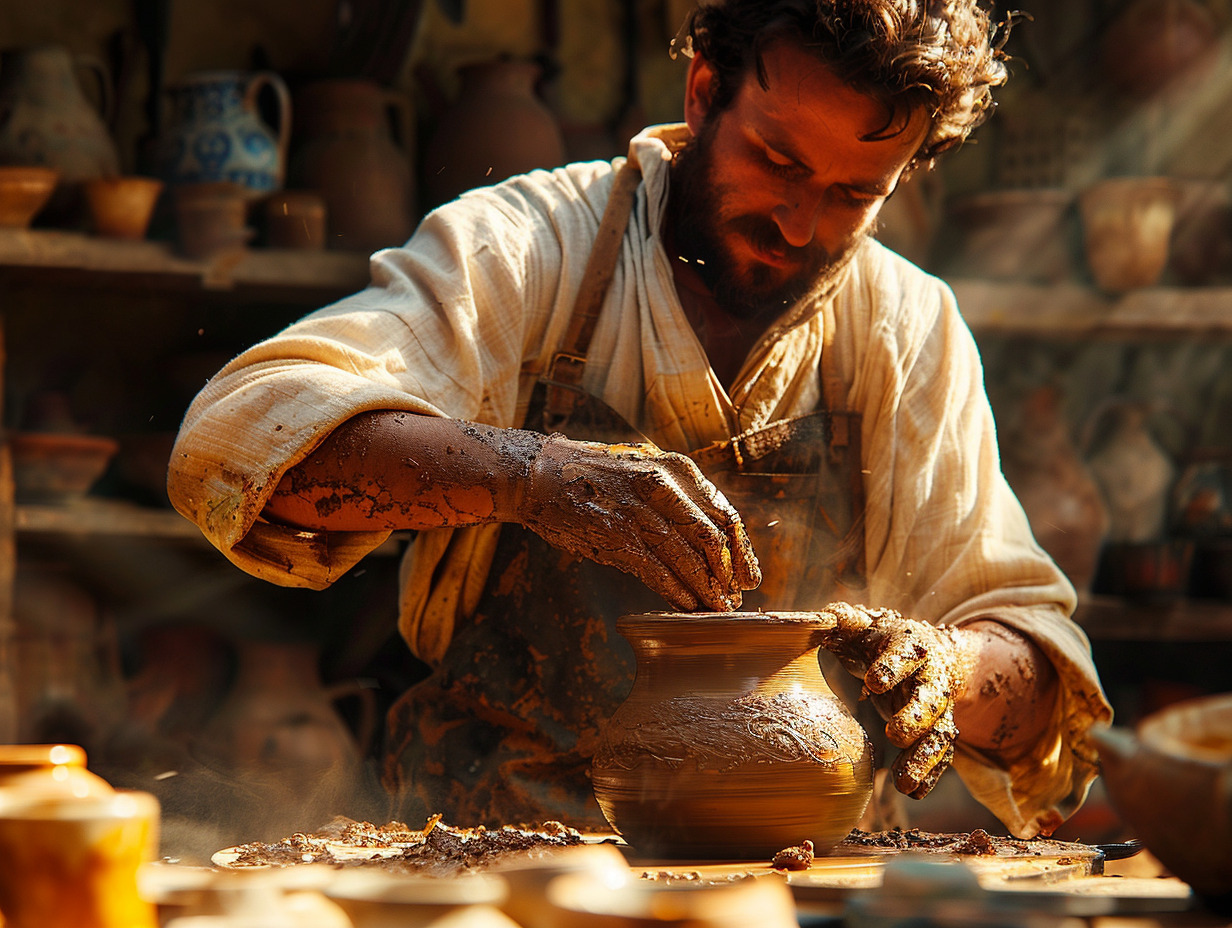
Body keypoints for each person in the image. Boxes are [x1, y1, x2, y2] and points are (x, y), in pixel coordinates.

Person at [168, 0, 1112, 841]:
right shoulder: (533, 245)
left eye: (852, 194)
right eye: (776, 160)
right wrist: (532, 478)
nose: (797, 224)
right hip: (487, 866)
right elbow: (239, 439)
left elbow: (1040, 675)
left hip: (788, 881)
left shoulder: (905, 326)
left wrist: (943, 672)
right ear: (704, 92)